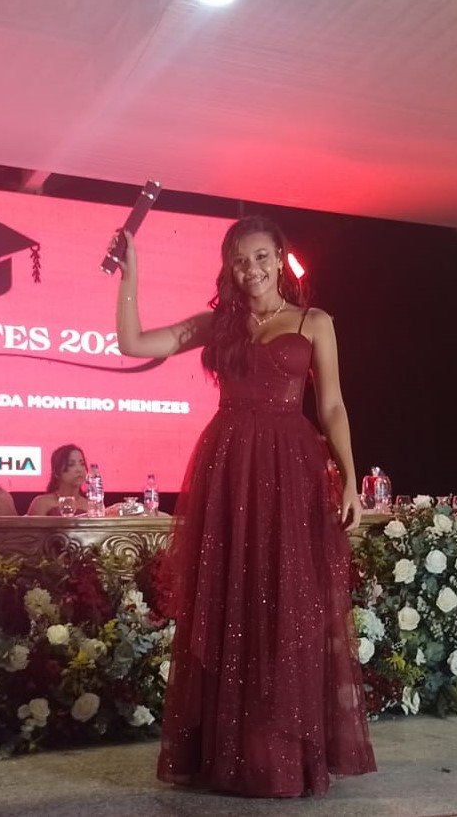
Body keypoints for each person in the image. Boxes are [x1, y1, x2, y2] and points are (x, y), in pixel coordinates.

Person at [115, 217, 375, 797]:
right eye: (239, 260)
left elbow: (332, 406)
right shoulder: (219, 324)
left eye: (260, 256)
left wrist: (350, 479)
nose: (250, 268)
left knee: (285, 604)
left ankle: (280, 754)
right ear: (228, 267)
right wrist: (130, 274)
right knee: (230, 600)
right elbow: (133, 343)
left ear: (280, 258)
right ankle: (227, 755)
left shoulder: (314, 322)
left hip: (290, 471)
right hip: (229, 470)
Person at [26, 444, 90, 516]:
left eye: (82, 464)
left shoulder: (90, 506)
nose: (79, 469)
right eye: (71, 464)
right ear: (56, 472)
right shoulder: (42, 503)